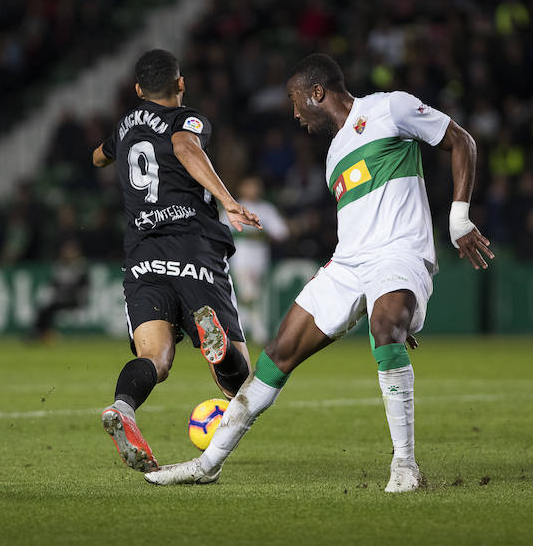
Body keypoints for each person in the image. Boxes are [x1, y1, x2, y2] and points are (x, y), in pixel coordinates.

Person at [144, 53, 494, 492]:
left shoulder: (390, 108)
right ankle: (208, 462)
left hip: (399, 254)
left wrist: (458, 218)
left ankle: (405, 466)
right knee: (279, 351)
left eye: (296, 101)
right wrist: (380, 297)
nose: (295, 114)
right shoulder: (333, 156)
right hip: (349, 264)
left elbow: (461, 141)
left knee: (385, 327)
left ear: (317, 92)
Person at [91, 49, 262, 472]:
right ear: (180, 84)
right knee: (242, 387)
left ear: (137, 90)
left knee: (155, 357)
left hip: (143, 257)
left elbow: (98, 156)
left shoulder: (124, 126)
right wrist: (229, 200)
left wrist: (111, 151)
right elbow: (185, 146)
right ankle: (217, 350)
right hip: (194, 249)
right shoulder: (188, 119)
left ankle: (123, 408)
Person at [220, 177, 289, 342]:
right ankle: (255, 331)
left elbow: (282, 232)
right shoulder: (234, 206)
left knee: (255, 296)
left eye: (255, 186)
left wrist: (262, 234)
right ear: (242, 188)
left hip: (260, 258)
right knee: (247, 293)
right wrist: (249, 234)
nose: (253, 189)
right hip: (240, 257)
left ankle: (244, 327)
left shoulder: (266, 209)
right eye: (249, 185)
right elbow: (221, 231)